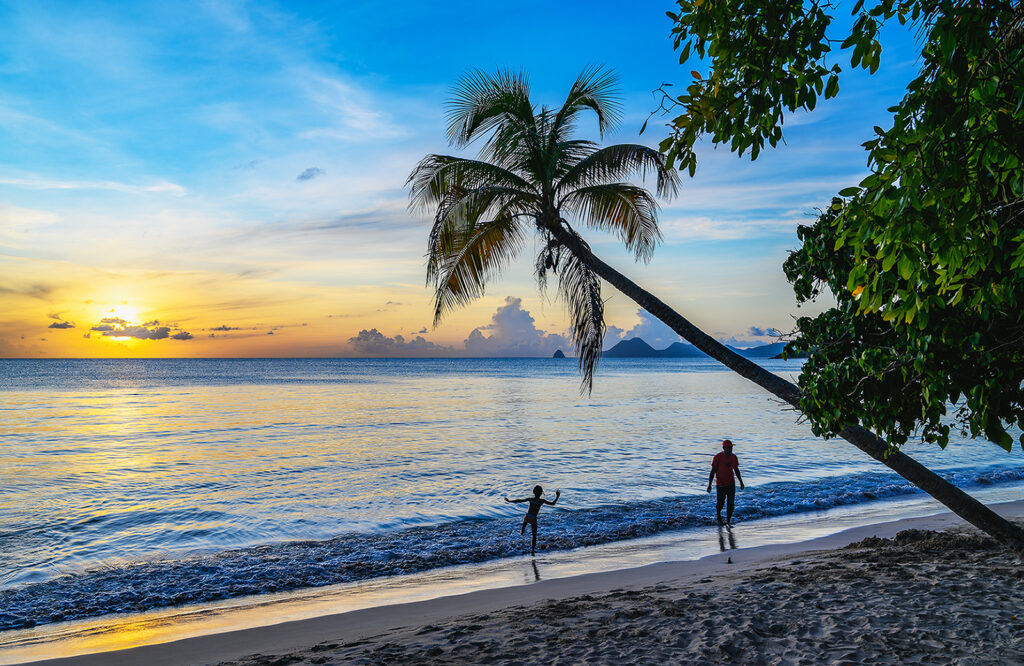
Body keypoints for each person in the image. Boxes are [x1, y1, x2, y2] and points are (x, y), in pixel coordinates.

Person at [505, 485, 560, 556]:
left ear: (534, 492)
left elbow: (520, 500)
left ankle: (522, 530)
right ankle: (532, 550)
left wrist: (509, 501)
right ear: (541, 493)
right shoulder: (541, 501)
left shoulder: (531, 499)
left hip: (527, 517)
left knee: (525, 520)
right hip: (534, 518)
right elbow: (553, 503)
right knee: (534, 535)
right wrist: (557, 496)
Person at [707, 439, 744, 527]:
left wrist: (741, 482)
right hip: (720, 484)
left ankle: (728, 522)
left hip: (731, 484)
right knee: (720, 503)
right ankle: (719, 516)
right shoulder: (717, 457)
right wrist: (709, 485)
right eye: (728, 448)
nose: (730, 450)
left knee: (731, 504)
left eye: (731, 448)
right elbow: (713, 472)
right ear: (724, 448)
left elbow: (736, 470)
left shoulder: (733, 457)